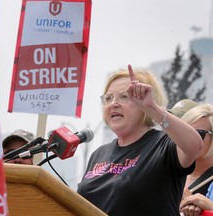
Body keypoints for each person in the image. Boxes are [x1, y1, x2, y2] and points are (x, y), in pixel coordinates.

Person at [76, 65, 203, 216]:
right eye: (108, 98)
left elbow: (195, 146)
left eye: (124, 96)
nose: (113, 104)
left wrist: (152, 108)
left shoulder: (164, 146)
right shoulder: (99, 154)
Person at [178, 104, 213, 215]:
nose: (189, 138)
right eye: (184, 132)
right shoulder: (170, 173)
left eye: (199, 133)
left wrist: (208, 208)